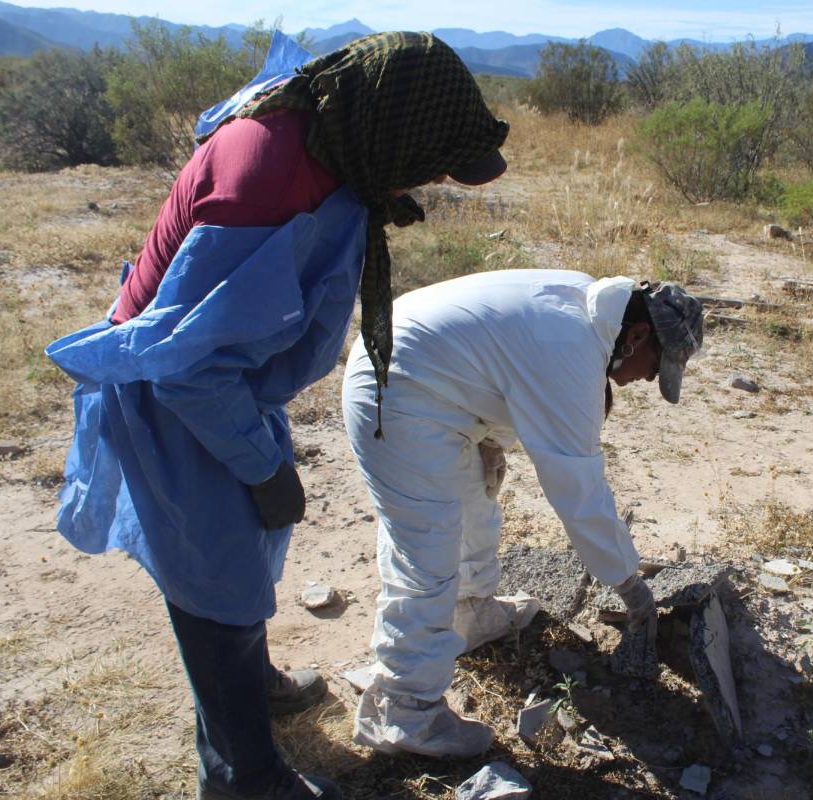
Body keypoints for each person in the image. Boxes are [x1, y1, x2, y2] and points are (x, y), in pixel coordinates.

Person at [44, 31, 508, 800]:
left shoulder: (329, 122)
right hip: (175, 392)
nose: (432, 178)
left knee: (242, 551)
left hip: (225, 380)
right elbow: (189, 368)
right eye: (432, 158)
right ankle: (242, 776)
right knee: (214, 577)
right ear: (392, 125)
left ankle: (249, 684)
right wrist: (261, 467)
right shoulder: (266, 189)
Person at [341, 269, 704, 757]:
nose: (644, 380)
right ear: (638, 336)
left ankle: (469, 615)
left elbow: (501, 360)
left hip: (427, 381)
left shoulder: (585, 309)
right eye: (654, 368)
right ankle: (404, 710)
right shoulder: (571, 346)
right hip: (395, 389)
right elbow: (579, 493)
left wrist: (491, 437)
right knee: (426, 550)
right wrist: (630, 585)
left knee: (475, 502)